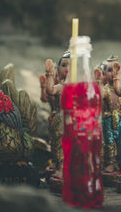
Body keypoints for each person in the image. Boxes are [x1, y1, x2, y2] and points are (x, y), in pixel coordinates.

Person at [39, 51, 70, 179]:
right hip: (60, 118)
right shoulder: (60, 86)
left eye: (71, 66)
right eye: (64, 65)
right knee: (59, 143)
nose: (68, 69)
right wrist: (49, 74)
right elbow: (50, 90)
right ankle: (60, 167)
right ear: (58, 69)